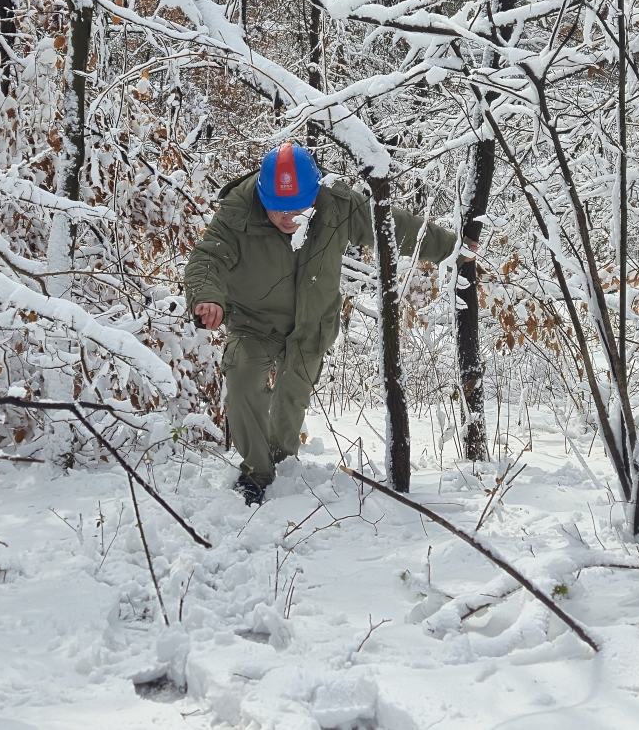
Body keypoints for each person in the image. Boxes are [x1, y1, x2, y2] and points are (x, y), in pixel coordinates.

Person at [184, 142, 476, 505]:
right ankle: (256, 475)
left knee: (290, 404)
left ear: (315, 194)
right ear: (263, 195)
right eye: (278, 209)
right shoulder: (237, 211)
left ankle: (281, 465)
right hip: (252, 320)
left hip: (311, 324)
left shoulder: (336, 206)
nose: (288, 218)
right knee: (243, 382)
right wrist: (206, 296)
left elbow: (393, 224)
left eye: (298, 209)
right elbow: (207, 259)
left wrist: (451, 248)